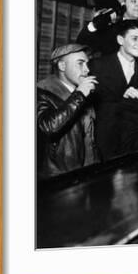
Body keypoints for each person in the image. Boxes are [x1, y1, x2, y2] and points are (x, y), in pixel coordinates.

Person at [36, 44, 99, 179]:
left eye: (87, 64)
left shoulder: (83, 93)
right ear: (62, 66)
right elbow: (49, 126)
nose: (87, 70)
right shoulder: (41, 92)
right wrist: (80, 94)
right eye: (80, 64)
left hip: (84, 173)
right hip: (57, 177)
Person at [88, 21, 138, 161]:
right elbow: (92, 103)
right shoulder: (98, 65)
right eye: (134, 38)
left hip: (133, 144)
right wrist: (123, 97)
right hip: (103, 142)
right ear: (120, 40)